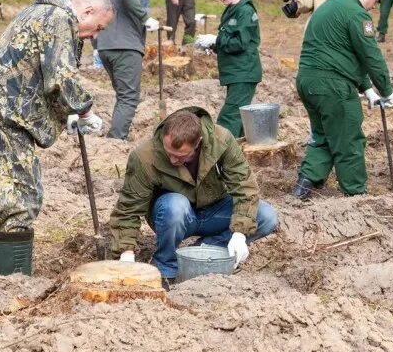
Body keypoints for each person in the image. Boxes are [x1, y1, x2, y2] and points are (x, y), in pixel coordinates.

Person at [0, 0, 114, 275]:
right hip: (4, 115)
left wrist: (64, 114)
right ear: (87, 11)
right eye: (97, 27)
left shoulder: (43, 12)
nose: (94, 36)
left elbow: (36, 72)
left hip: (5, 112)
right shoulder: (58, 19)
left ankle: (12, 272)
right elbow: (61, 77)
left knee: (20, 193)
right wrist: (84, 110)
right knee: (16, 198)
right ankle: (11, 276)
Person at [106, 107, 278, 288]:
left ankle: (203, 253)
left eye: (181, 156)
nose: (173, 160)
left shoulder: (221, 141)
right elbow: (128, 208)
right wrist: (126, 252)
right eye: (169, 153)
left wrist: (239, 233)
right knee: (175, 205)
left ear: (198, 143)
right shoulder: (144, 156)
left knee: (266, 216)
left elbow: (245, 187)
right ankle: (166, 268)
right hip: (173, 216)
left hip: (214, 208)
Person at [291, 0, 393, 200]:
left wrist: (367, 88)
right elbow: (370, 55)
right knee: (348, 138)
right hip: (333, 87)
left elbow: (343, 52)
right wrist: (387, 90)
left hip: (308, 82)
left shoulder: (330, 6)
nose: (374, 7)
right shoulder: (356, 14)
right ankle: (355, 192)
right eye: (375, 1)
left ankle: (304, 185)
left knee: (324, 135)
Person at [97, 0, 162, 140]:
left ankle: (115, 136)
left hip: (104, 44)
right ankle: (116, 141)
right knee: (129, 97)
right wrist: (145, 18)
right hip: (125, 45)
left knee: (122, 95)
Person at [212, 0, 261, 137]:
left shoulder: (245, 11)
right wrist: (213, 44)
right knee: (239, 118)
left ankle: (218, 154)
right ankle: (237, 156)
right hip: (234, 72)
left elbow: (240, 43)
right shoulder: (231, 10)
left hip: (244, 72)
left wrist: (218, 41)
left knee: (229, 118)